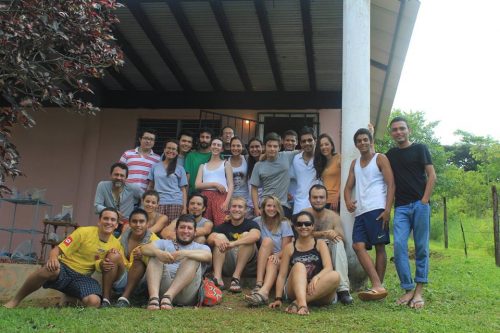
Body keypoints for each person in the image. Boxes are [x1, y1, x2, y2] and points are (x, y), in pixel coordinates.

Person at [4, 208, 124, 308]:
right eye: (106, 218)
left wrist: (105, 265)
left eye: (113, 220)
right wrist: (53, 259)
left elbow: (116, 268)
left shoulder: (116, 244)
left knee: (94, 302)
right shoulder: (83, 232)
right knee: (49, 269)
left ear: (117, 224)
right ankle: (15, 300)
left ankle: (70, 299)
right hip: (64, 269)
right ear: (99, 221)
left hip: (83, 278)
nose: (109, 222)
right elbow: (56, 250)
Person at [386, 116, 436, 309]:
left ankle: (419, 292)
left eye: (402, 128)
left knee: (422, 247)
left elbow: (432, 175)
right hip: (401, 207)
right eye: (395, 130)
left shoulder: (420, 149)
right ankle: (408, 289)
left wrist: (424, 201)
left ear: (409, 130)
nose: (398, 132)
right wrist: (371, 135)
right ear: (391, 133)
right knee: (399, 246)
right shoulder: (391, 154)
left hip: (420, 205)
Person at [344, 128, 395, 301]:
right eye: (359, 140)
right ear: (356, 144)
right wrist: (348, 201)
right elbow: (348, 187)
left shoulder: (380, 158)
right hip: (360, 212)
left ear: (370, 141)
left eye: (365, 139)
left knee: (380, 247)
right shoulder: (354, 163)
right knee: (358, 246)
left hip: (377, 208)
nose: (362, 142)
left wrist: (388, 209)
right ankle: (377, 286)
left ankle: (377, 287)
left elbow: (391, 184)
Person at [269, 211, 339, 315]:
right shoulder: (289, 247)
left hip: (318, 289)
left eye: (307, 224)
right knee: (299, 266)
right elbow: (282, 275)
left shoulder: (320, 244)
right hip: (295, 289)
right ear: (295, 227)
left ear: (312, 226)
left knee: (335, 275)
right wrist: (278, 298)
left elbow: (328, 267)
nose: (303, 226)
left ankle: (297, 303)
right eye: (299, 224)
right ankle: (302, 304)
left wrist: (317, 277)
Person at [141, 214, 212, 310]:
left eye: (189, 228)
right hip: (162, 289)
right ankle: (153, 298)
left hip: (187, 293)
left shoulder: (201, 247)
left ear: (195, 232)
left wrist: (184, 253)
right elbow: (144, 248)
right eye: (182, 227)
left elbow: (208, 256)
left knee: (192, 258)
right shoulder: (165, 243)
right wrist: (159, 252)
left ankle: (169, 296)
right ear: (176, 230)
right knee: (155, 256)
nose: (185, 231)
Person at [303, 184, 353, 305]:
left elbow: (343, 239)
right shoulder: (304, 214)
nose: (318, 200)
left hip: (329, 252)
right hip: (309, 249)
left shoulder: (333, 216)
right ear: (309, 199)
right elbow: (300, 236)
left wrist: (334, 234)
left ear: (326, 199)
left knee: (338, 242)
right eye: (315, 197)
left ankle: (343, 290)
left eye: (321, 197)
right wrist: (324, 234)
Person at [244, 196, 293, 306]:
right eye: (269, 206)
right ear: (263, 208)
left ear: (279, 208)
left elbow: (287, 248)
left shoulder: (284, 224)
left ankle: (263, 291)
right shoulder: (257, 221)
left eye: (274, 206)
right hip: (263, 257)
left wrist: (276, 255)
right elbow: (243, 226)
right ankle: (259, 285)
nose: (271, 209)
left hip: (281, 259)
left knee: (271, 258)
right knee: (266, 242)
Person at [207, 196, 261, 293]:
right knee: (219, 237)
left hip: (248, 264)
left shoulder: (251, 224)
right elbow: (210, 238)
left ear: (245, 210)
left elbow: (255, 236)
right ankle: (218, 279)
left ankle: (236, 278)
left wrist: (234, 244)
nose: (236, 209)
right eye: (234, 206)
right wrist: (216, 240)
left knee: (246, 236)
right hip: (228, 263)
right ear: (229, 209)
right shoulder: (222, 226)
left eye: (240, 207)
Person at [114, 208, 159, 307]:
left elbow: (158, 262)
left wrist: (144, 256)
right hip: (123, 275)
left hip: (142, 281)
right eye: (134, 221)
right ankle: (106, 298)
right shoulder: (123, 237)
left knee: (139, 260)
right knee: (111, 255)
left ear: (147, 224)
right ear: (129, 224)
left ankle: (125, 298)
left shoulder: (154, 239)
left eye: (141, 221)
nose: (138, 225)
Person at [249, 132, 298, 218]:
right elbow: (254, 188)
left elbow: (306, 150)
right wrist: (256, 208)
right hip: (266, 204)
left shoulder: (287, 156)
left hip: (283, 205)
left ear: (279, 147)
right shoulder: (258, 165)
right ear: (264, 147)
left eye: (275, 146)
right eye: (269, 146)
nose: (272, 149)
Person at [94, 162, 143, 234]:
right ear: (111, 175)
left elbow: (146, 199)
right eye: (116, 174)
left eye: (122, 175)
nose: (119, 178)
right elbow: (97, 206)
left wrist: (137, 217)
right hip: (109, 221)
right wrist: (113, 212)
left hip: (127, 224)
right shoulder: (102, 186)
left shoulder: (133, 188)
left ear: (126, 178)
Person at [195, 138, 234, 226]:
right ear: (210, 147)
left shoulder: (226, 164)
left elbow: (231, 185)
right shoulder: (203, 166)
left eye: (218, 145)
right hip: (205, 197)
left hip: (221, 197)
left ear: (222, 149)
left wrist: (227, 202)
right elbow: (197, 185)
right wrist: (215, 184)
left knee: (221, 223)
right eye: (214, 144)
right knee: (205, 224)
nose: (216, 147)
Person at [148, 139, 188, 222]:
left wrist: (184, 208)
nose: (171, 151)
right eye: (168, 148)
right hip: (158, 202)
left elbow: (183, 190)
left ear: (177, 152)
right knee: (156, 229)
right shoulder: (155, 166)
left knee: (171, 230)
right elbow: (150, 186)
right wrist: (146, 202)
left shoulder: (180, 169)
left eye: (174, 149)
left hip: (175, 203)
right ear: (164, 149)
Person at [292, 126, 320, 214]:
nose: (307, 143)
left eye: (309, 140)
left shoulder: (321, 158)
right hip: (299, 205)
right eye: (303, 141)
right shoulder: (295, 159)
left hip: (317, 204)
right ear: (300, 143)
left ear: (315, 140)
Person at [314, 133, 341, 211]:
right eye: (321, 145)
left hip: (336, 201)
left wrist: (337, 196)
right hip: (324, 201)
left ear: (332, 146)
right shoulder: (322, 162)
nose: (324, 147)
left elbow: (345, 179)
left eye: (326, 144)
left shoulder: (339, 158)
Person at [184, 128, 213, 195]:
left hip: (211, 195)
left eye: (207, 137)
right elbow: (187, 178)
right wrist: (185, 198)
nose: (204, 140)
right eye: (202, 137)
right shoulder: (191, 156)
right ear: (198, 138)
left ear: (211, 139)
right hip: (192, 194)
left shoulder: (217, 156)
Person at [229, 136, 250, 207]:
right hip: (231, 199)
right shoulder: (226, 162)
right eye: (233, 146)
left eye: (238, 146)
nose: (235, 148)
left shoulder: (247, 159)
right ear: (230, 147)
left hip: (246, 198)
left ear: (243, 147)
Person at [246, 137, 264, 218]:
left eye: (257, 146)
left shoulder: (267, 162)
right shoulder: (247, 161)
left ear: (262, 147)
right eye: (252, 147)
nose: (254, 149)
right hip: (250, 205)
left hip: (263, 205)